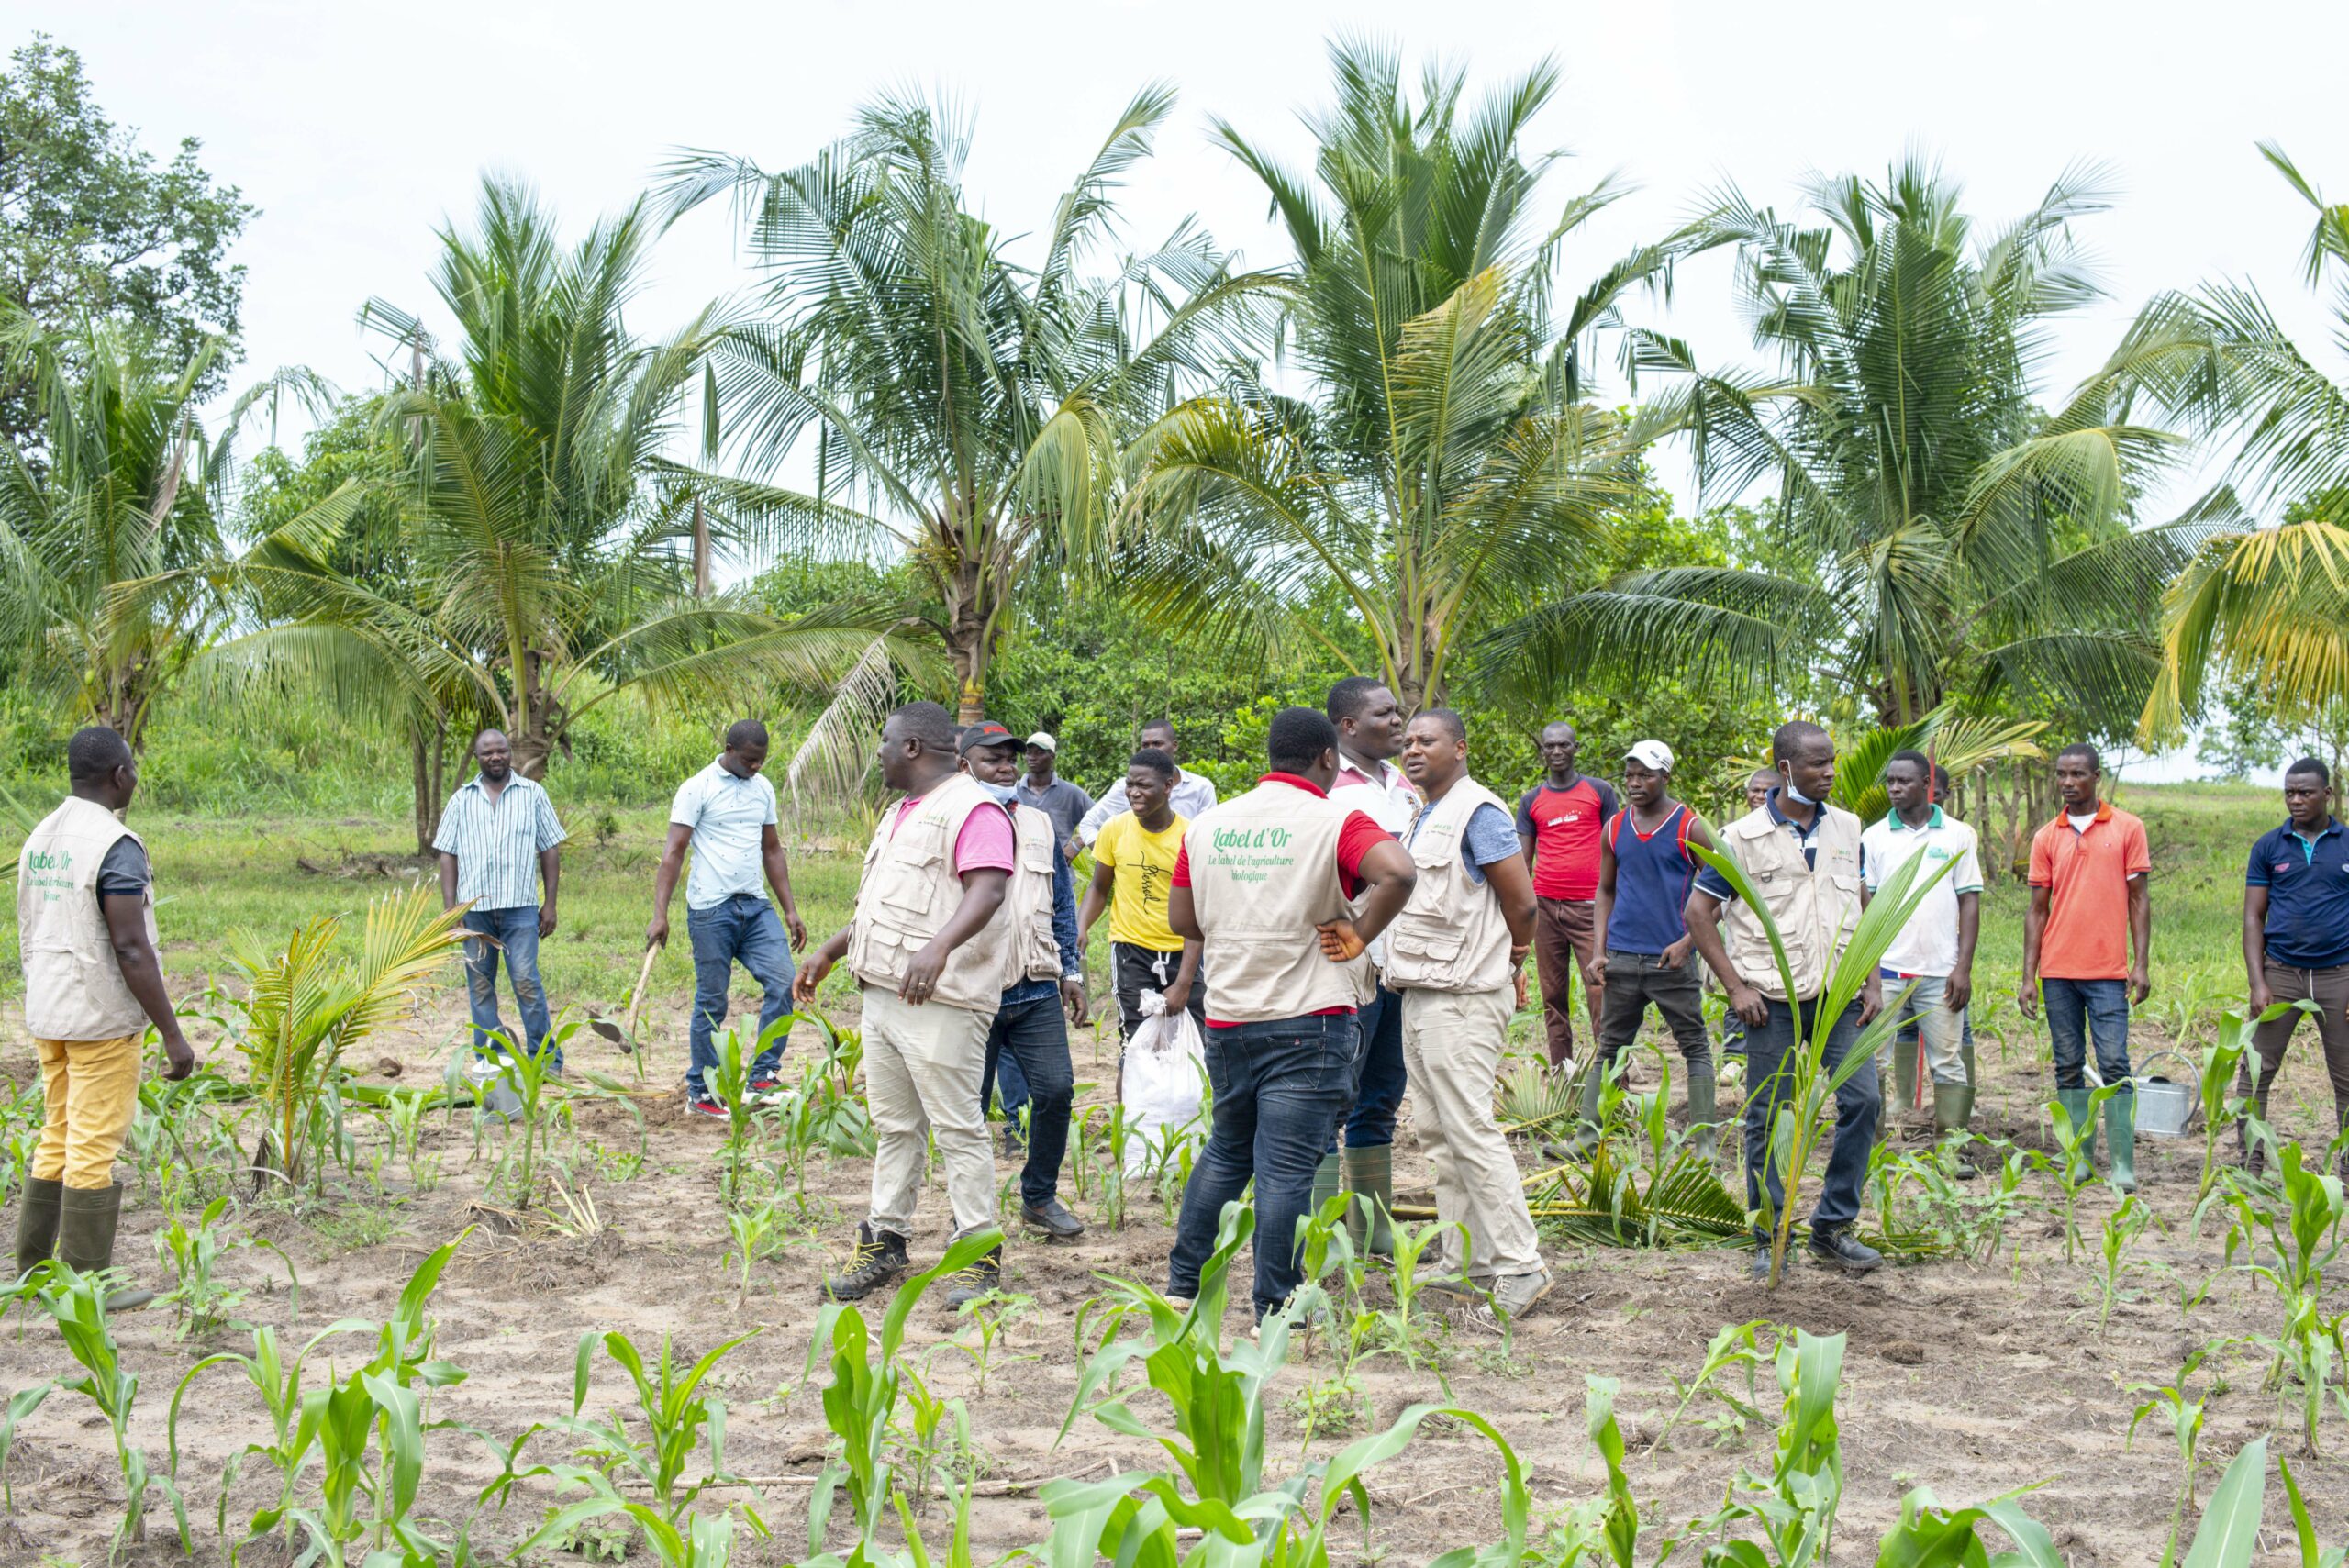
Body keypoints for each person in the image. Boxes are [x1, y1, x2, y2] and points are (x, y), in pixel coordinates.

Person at [1164, 707, 1416, 1319]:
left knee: (1227, 1150)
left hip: (1228, 1016)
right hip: (1308, 1018)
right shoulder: (1335, 821)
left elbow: (1181, 920)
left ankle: (1181, 1284)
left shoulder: (1208, 825)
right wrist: (1358, 933)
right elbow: (1399, 872)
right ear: (1329, 757)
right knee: (1285, 1164)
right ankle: (1274, 1304)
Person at [796, 703, 1014, 1306]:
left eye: (886, 741)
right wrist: (832, 951)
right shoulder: (900, 812)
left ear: (914, 746)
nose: (880, 752)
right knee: (896, 1126)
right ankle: (885, 1241)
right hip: (885, 992)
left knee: (956, 1127)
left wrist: (939, 947)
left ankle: (979, 1256)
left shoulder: (975, 808)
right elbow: (882, 905)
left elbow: (989, 888)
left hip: (941, 998)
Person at [1687, 720, 1884, 1279]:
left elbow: (1862, 903)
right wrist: (1735, 987)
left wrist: (1869, 978)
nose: (1830, 772)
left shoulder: (1847, 827)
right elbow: (1699, 915)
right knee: (1768, 1117)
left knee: (1864, 1101)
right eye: (1818, 764)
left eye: (1832, 762)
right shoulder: (1741, 838)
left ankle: (1832, 1227)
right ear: (1786, 768)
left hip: (1838, 994)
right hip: (1770, 999)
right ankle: (1769, 1235)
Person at [14, 727, 197, 1306]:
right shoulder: (115, 844)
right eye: (133, 770)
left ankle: (34, 1273)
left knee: (58, 1134)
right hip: (98, 1016)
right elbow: (131, 947)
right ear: (119, 775)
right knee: (93, 1145)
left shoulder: (41, 835)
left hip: (49, 1008)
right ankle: (86, 1288)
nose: (135, 780)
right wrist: (173, 1035)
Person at [1389, 710, 1551, 1318]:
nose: (1412, 749)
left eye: (1426, 740)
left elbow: (1522, 901)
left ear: (1459, 747)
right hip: (1423, 992)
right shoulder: (1422, 815)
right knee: (1438, 1133)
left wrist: (1512, 958)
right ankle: (1467, 1261)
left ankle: (1520, 1265)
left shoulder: (1477, 811)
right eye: (1407, 741)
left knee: (1471, 1129)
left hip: (1463, 997)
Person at [960, 721, 1089, 1240]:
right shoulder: (951, 819)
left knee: (1056, 1091)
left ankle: (1038, 1197)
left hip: (1034, 985)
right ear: (962, 762)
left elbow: (1060, 902)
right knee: (969, 1106)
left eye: (1010, 758)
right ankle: (969, 1216)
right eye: (993, 758)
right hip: (970, 988)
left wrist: (1071, 973)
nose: (1007, 766)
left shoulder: (1037, 824)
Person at [647, 720, 809, 1118]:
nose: (756, 768)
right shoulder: (696, 788)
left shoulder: (763, 789)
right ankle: (701, 1092)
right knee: (711, 1002)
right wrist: (659, 914)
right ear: (730, 749)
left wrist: (789, 909)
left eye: (761, 762)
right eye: (750, 760)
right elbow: (674, 852)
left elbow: (772, 850)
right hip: (710, 911)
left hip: (754, 907)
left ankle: (763, 1077)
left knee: (783, 982)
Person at [1569, 741, 1718, 1158]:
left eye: (1645, 775)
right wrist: (1599, 952)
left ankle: (1704, 1146)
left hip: (1671, 960)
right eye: (1630, 775)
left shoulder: (1691, 826)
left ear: (1666, 777)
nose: (1635, 783)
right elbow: (1605, 891)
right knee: (1609, 1048)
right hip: (1622, 959)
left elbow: (1721, 895)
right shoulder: (1615, 827)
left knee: (1694, 1046)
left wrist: (1688, 943)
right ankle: (1585, 1138)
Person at [2019, 743, 2152, 1193]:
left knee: (2114, 1062)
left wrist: (2142, 963)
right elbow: (2037, 910)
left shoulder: (2127, 828)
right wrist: (2028, 977)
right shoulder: (2046, 837)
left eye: (2077, 774)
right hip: (2058, 971)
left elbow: (2139, 900)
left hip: (2109, 972)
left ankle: (2122, 1164)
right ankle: (2077, 1157)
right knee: (2068, 1064)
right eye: (2061, 775)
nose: (2068, 783)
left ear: (2097, 776)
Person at [1322, 675, 1420, 1252]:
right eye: (1385, 713)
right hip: (1348, 965)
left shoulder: (1404, 788)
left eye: (1399, 711)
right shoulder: (1331, 789)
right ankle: (1326, 1231)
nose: (1398, 722)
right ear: (1348, 726)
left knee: (1382, 1093)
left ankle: (1374, 1228)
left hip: (1400, 965)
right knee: (1333, 1094)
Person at [1859, 751, 1983, 1173]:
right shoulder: (1873, 838)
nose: (1894, 788)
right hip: (1887, 970)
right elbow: (1867, 905)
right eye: (1890, 781)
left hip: (1940, 971)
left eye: (1904, 782)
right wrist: (1868, 975)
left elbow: (1969, 901)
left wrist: (1962, 967)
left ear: (1927, 784)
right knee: (1872, 1060)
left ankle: (1952, 1151)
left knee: (1947, 1060)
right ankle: (1870, 1150)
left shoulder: (1958, 835)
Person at [434, 729, 567, 1097]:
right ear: (476, 757)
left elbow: (550, 849)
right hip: (474, 912)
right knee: (480, 987)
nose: (496, 757)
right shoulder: (461, 801)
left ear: (510, 754)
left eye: (502, 751)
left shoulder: (533, 795)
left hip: (519, 909)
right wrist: (451, 909)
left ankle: (546, 1060)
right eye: (487, 753)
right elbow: (448, 854)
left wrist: (550, 904)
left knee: (525, 981)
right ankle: (488, 1060)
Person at [2238, 758, 2349, 1178]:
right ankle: (2250, 1164)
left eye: (2305, 792)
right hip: (2281, 973)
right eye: (2289, 792)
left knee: (2347, 1078)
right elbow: (2253, 918)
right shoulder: (2269, 847)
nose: (2296, 800)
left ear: (2327, 794)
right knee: (2254, 1072)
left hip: (2341, 975)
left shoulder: (2347, 844)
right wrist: (2257, 981)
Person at [1077, 749, 1204, 1045]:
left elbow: (1200, 912)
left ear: (1168, 786)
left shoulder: (1190, 836)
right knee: (1135, 1047)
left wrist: (1184, 983)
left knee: (1192, 1045)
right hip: (1130, 950)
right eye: (1130, 784)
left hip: (1181, 952)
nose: (1134, 793)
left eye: (1143, 785)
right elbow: (1099, 886)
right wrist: (1081, 926)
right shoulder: (1115, 829)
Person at [1517, 721, 1620, 1071]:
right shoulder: (1532, 800)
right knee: (1553, 996)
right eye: (1550, 746)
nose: (1557, 752)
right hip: (1546, 909)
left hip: (1591, 909)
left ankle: (1612, 1085)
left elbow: (1616, 846)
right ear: (1542, 751)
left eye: (1564, 745)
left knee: (1600, 993)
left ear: (1576, 748)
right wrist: (1521, 912)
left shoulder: (1599, 791)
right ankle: (1564, 1075)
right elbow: (1522, 860)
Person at [1078, 720, 1217, 843]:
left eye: (1157, 744)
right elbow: (1088, 824)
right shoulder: (1126, 787)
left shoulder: (1200, 788)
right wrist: (1110, 857)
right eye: (1145, 745)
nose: (1151, 750)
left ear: (1174, 746)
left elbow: (1208, 836)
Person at [1017, 733, 1093, 864]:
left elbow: (1102, 821)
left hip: (1059, 873)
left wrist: (1077, 844)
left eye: (1039, 753)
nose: (1032, 757)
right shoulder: (1013, 792)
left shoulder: (1071, 793)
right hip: (1021, 872)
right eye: (1029, 753)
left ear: (1052, 756)